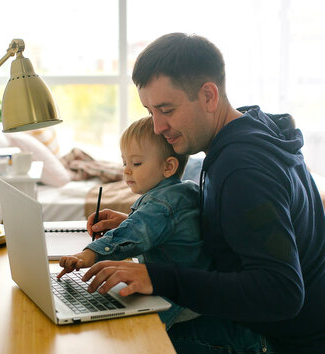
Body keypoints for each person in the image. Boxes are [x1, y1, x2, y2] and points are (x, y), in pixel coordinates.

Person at [81, 33, 325, 354]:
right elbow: (231, 226)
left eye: (166, 110)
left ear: (209, 96)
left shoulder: (244, 171)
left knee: (133, 338)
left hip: (300, 343)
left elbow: (281, 293)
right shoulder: (243, 129)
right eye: (150, 111)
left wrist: (156, 278)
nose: (157, 127)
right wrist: (141, 223)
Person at [57, 115, 211, 329]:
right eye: (124, 162)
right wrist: (129, 219)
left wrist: (86, 255)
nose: (126, 170)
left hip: (179, 301)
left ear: (168, 167)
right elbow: (153, 228)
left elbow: (133, 232)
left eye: (136, 163)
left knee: (125, 332)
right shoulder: (181, 192)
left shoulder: (162, 203)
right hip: (191, 287)